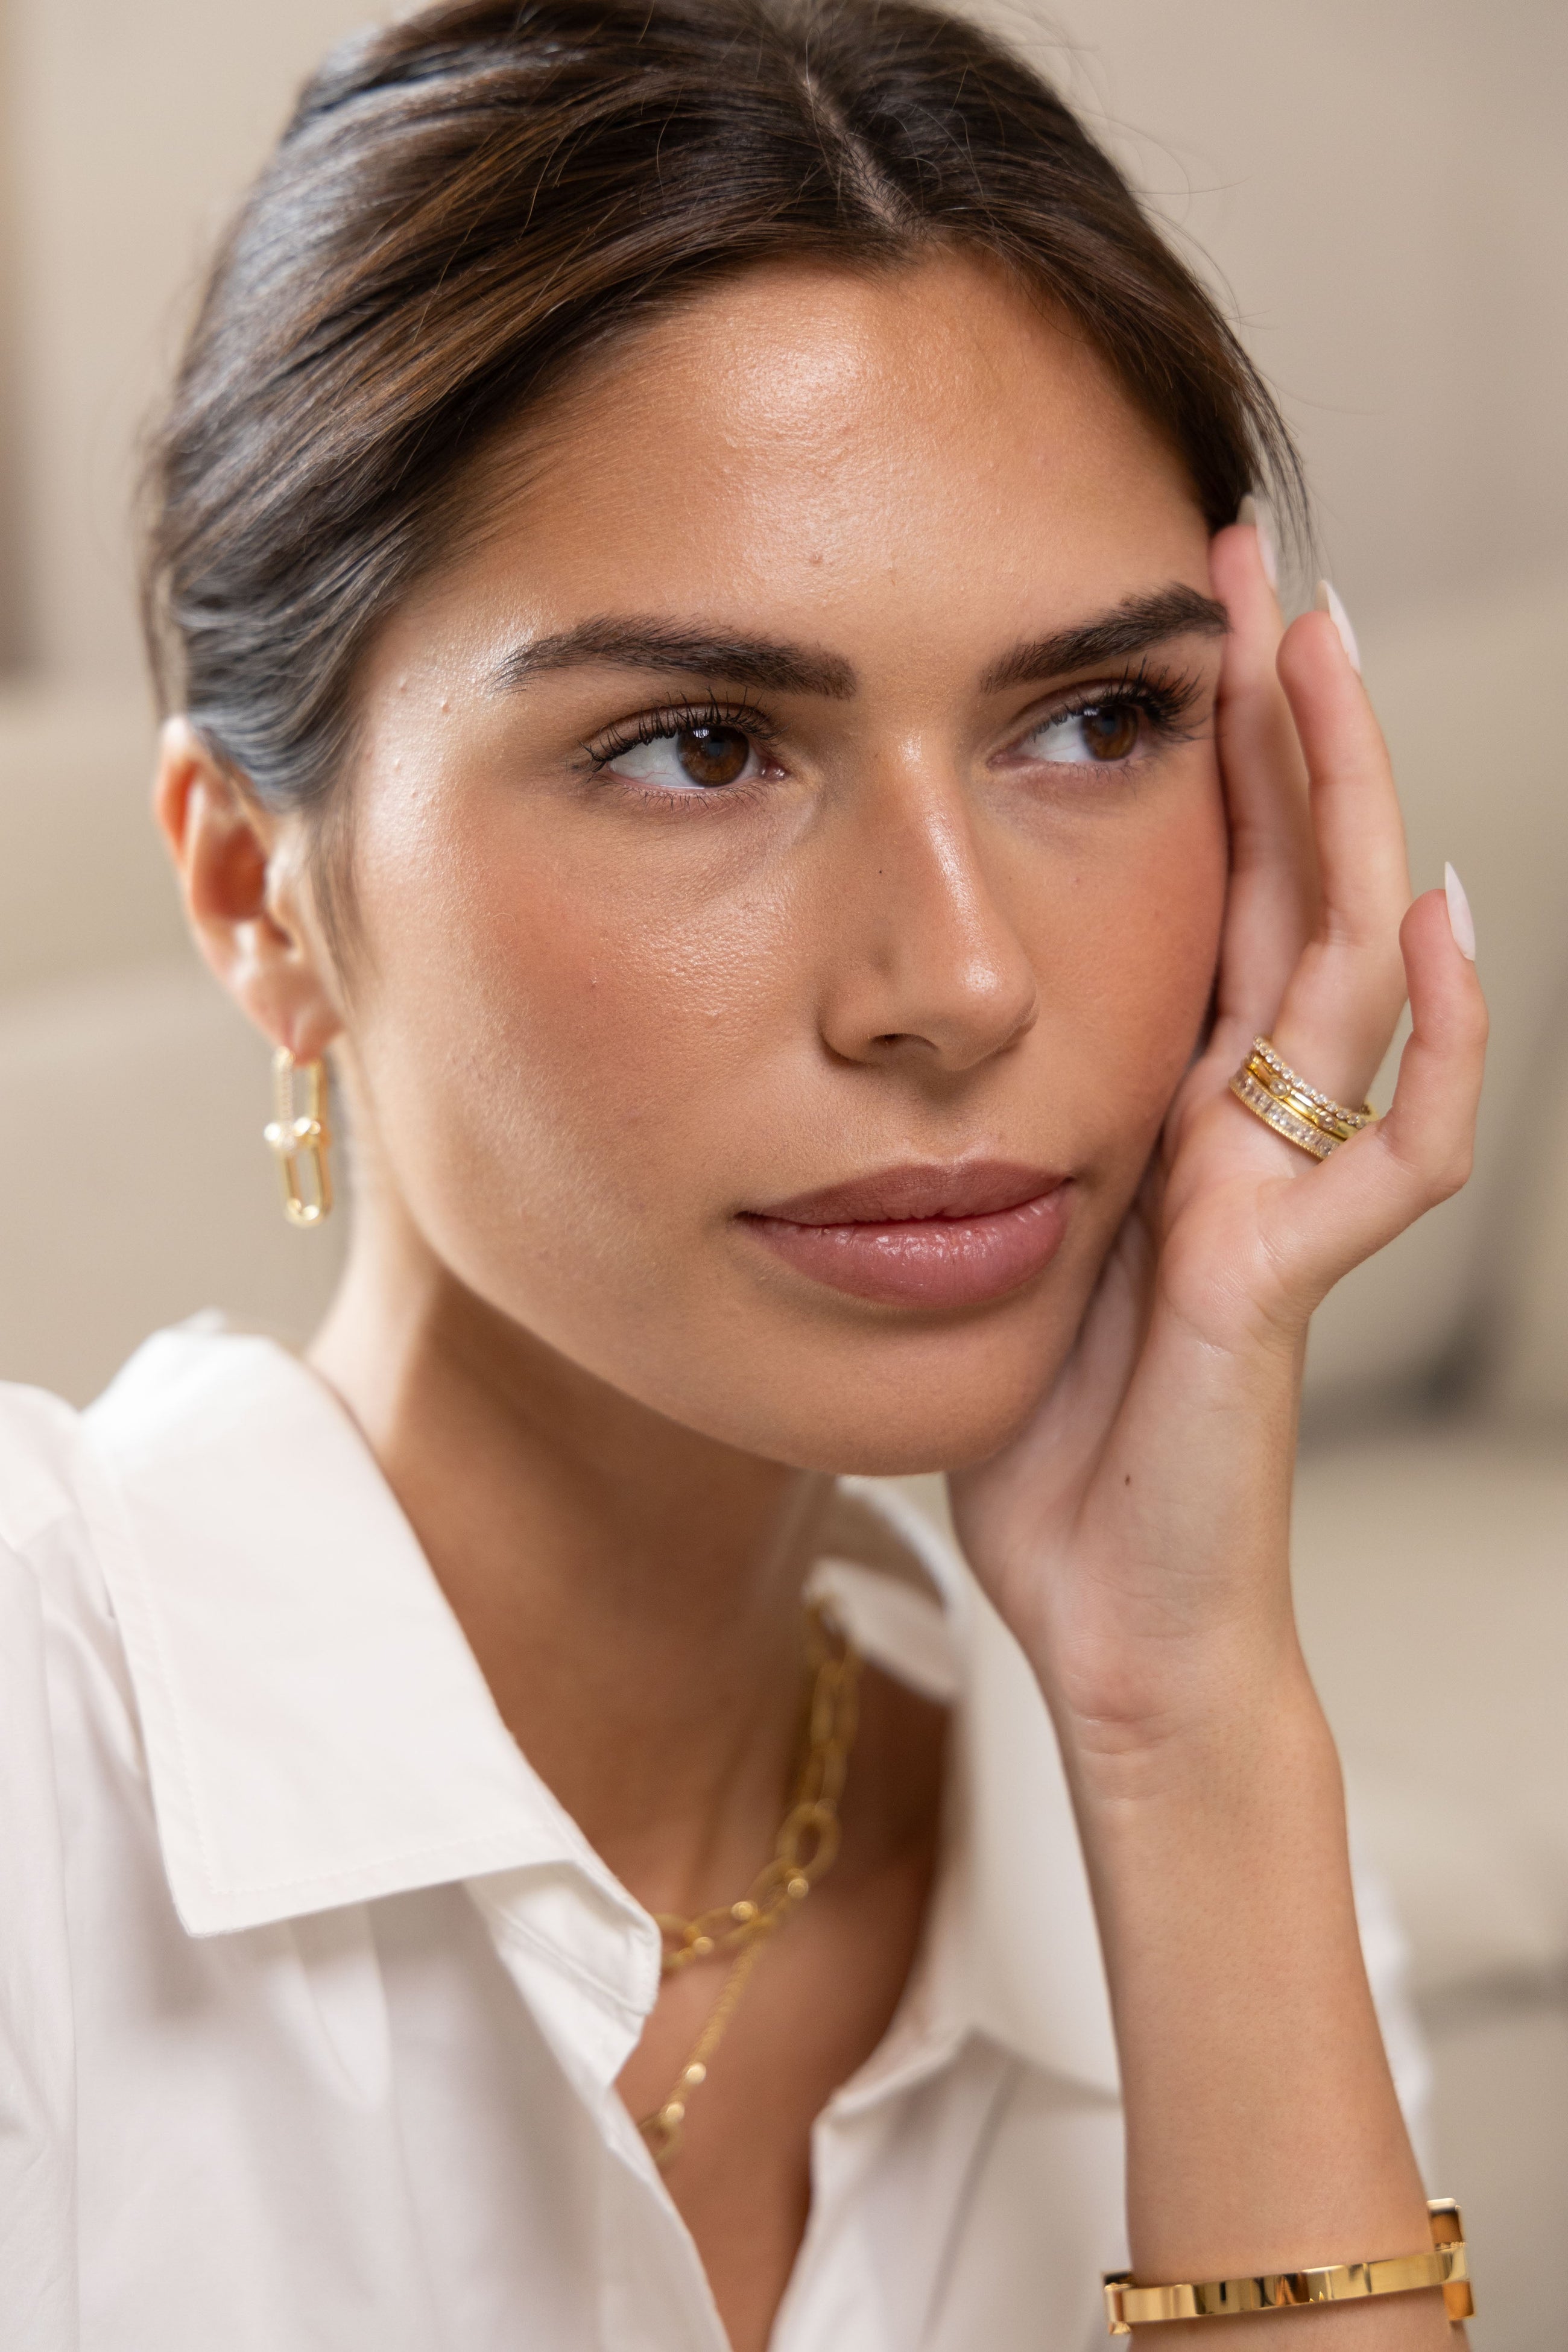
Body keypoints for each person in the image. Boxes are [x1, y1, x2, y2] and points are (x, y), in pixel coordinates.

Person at [0, 2, 1486, 2345]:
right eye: (701, 747)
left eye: (1091, 723)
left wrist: (1180, 1723)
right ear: (252, 896)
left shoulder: (1203, 1858)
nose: (961, 978)